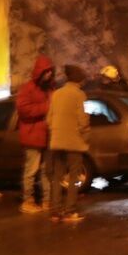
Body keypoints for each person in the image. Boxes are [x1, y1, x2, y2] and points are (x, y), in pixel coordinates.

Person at [46, 65, 91, 223]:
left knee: (57, 176)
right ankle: (70, 211)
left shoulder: (57, 94)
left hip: (57, 141)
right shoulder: (80, 95)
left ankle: (55, 211)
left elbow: (49, 119)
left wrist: (56, 132)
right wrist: (85, 136)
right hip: (74, 141)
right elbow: (83, 120)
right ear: (80, 79)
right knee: (74, 177)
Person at [16, 55, 54, 213]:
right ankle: (28, 201)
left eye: (50, 72)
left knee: (46, 171)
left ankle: (47, 200)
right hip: (33, 136)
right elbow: (23, 110)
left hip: (46, 136)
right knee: (31, 170)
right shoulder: (27, 89)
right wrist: (46, 107)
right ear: (40, 72)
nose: (49, 75)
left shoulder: (49, 89)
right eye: (46, 72)